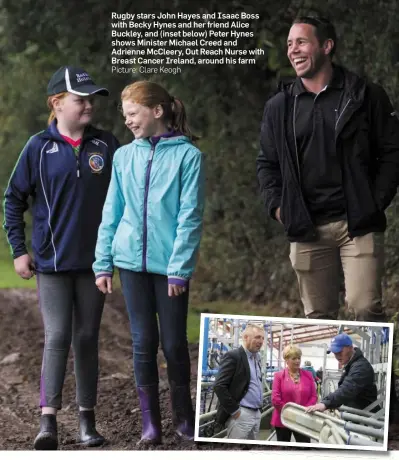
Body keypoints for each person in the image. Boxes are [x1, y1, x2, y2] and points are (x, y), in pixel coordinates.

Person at [3, 66, 120, 450]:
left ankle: (87, 419)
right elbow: (13, 200)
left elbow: (124, 201)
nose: (89, 106)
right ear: (57, 103)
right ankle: (47, 422)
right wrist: (19, 251)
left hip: (95, 265)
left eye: (91, 99)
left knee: (86, 338)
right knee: (57, 336)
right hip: (51, 265)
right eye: (80, 99)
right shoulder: (38, 147)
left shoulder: (107, 145)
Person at [256, 16, 399, 322]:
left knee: (365, 308)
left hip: (357, 223)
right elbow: (267, 164)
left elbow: (391, 152)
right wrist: (280, 208)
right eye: (289, 44)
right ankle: (329, 371)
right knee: (318, 318)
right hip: (306, 226)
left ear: (326, 46)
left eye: (302, 42)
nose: (293, 50)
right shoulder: (280, 107)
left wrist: (374, 202)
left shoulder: (365, 96)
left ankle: (369, 371)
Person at [93, 81, 205, 446]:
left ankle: (184, 418)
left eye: (133, 114)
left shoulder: (189, 157)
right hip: (130, 265)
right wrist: (103, 262)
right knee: (143, 342)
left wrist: (180, 268)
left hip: (169, 268)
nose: (127, 122)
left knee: (173, 343)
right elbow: (112, 210)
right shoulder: (124, 156)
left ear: (157, 111)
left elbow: (190, 216)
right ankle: (150, 424)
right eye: (124, 115)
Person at [213, 324, 265, 440]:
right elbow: (219, 386)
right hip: (242, 414)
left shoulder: (257, 358)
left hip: (256, 414)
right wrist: (235, 411)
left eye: (262, 338)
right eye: (257, 337)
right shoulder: (234, 356)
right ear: (245, 337)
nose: (261, 341)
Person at [305, 334, 378, 413]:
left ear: (350, 348)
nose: (337, 356)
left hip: (366, 419)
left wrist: (325, 403)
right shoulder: (352, 364)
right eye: (335, 353)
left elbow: (347, 389)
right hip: (358, 414)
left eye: (339, 352)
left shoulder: (361, 367)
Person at [271, 345, 317, 443]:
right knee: (284, 450)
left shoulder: (308, 375)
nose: (297, 361)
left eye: (299, 358)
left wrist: (303, 411)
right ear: (287, 360)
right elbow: (275, 398)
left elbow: (313, 396)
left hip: (303, 418)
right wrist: (289, 413)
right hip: (283, 419)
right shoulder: (279, 376)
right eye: (294, 358)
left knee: (304, 448)